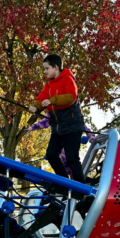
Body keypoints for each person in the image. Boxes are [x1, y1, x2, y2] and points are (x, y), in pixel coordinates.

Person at [28, 54, 87, 183]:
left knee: (72, 158)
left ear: (56, 67)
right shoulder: (48, 85)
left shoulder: (67, 79)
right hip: (58, 127)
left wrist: (52, 101)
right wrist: (35, 108)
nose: (45, 71)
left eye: (47, 68)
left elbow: (70, 97)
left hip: (72, 125)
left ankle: (81, 190)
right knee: (51, 155)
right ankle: (64, 183)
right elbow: (40, 99)